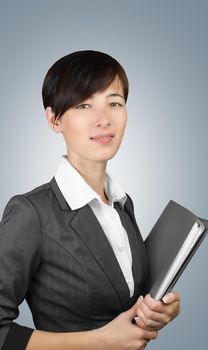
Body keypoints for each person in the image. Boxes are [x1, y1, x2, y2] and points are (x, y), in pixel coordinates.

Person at [0, 50, 180, 350]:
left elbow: (126, 303)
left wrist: (160, 310)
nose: (103, 119)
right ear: (54, 119)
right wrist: (100, 341)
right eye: (84, 104)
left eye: (114, 103)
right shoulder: (31, 212)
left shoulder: (122, 204)